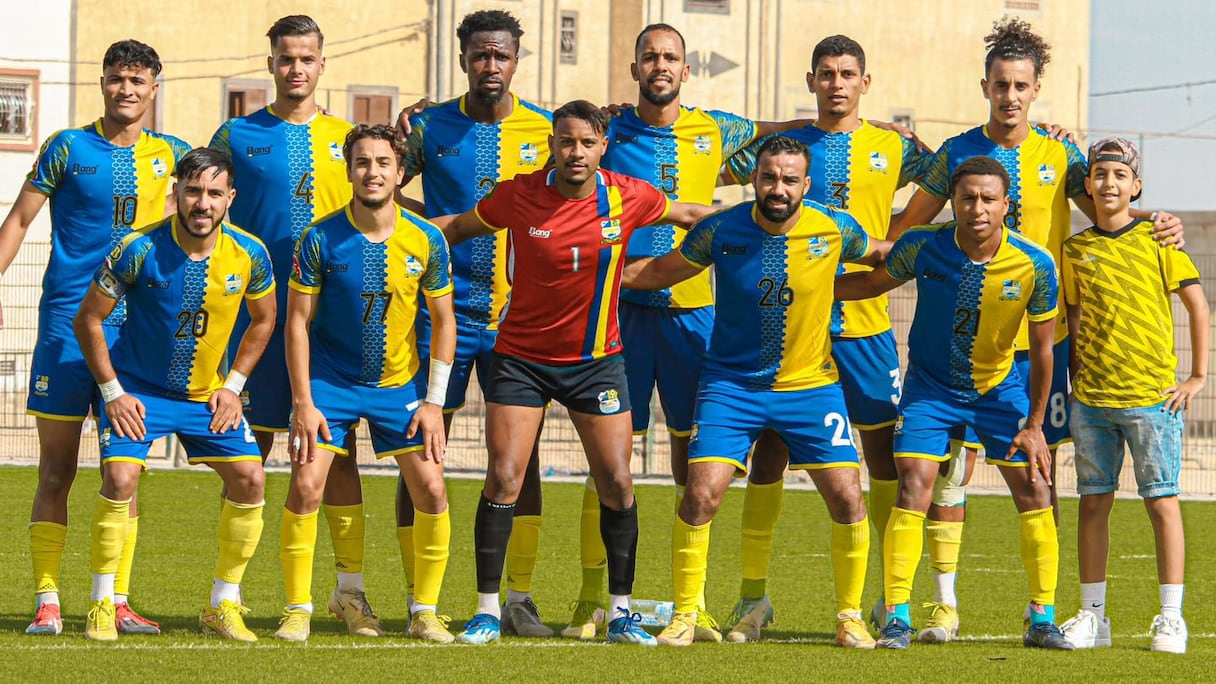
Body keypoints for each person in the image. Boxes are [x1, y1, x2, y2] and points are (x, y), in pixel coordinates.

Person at [885, 17, 1184, 641]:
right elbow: (906, 230)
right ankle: (942, 604)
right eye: (1001, 84)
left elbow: (1111, 211)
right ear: (985, 87)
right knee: (947, 473)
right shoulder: (957, 153)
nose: (1010, 96)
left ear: (1036, 88)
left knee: (1038, 476)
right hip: (961, 344)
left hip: (1038, 349)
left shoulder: (1062, 154)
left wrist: (1161, 222)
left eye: (1021, 85)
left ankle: (1042, 610)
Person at [436, 100, 715, 646]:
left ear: (603, 146)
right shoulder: (519, 194)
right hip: (521, 360)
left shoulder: (628, 195)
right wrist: (392, 234)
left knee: (618, 481)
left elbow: (687, 214)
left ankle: (621, 612)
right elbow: (459, 226)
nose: (576, 152)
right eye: (566, 141)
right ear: (552, 146)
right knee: (505, 476)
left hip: (596, 364)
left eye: (587, 142)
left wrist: (755, 222)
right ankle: (488, 610)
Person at [624, 135, 886, 649]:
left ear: (806, 184)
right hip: (730, 386)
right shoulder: (720, 228)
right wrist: (591, 269)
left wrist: (942, 261)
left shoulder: (835, 227)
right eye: (769, 177)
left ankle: (850, 617)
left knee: (848, 496)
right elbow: (659, 272)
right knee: (700, 494)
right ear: (754, 179)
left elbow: (884, 257)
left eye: (790, 179)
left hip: (811, 386)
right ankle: (685, 614)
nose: (778, 188)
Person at [722, 34, 933, 640]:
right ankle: (753, 598)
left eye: (847, 74)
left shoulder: (895, 147)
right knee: (769, 455)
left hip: (866, 327)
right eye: (826, 73)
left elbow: (961, 172)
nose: (836, 83)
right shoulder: (786, 150)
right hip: (787, 328)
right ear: (811, 80)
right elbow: (706, 160)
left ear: (865, 82)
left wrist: (901, 232)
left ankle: (890, 601)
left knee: (882, 457)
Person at [575, 21, 769, 643]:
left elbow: (779, 133)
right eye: (650, 56)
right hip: (621, 315)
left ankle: (692, 604)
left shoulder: (717, 129)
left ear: (687, 71)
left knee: (696, 462)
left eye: (670, 58)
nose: (660, 65)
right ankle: (592, 601)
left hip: (694, 315)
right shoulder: (608, 132)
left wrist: (850, 125)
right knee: (608, 459)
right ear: (635, 68)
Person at [837, 156, 1072, 651]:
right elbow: (871, 284)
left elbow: (1044, 350)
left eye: (988, 199)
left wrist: (1034, 425)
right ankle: (897, 618)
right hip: (930, 390)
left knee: (1036, 488)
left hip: (998, 390)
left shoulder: (1035, 263)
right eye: (967, 198)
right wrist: (807, 288)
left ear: (1006, 205)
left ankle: (1042, 618)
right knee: (913, 485)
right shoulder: (923, 245)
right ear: (954, 202)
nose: (977, 208)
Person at [0, 39, 190, 637]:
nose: (125, 90)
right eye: (116, 79)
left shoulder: (174, 154)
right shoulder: (66, 146)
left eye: (137, 80)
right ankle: (47, 601)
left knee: (123, 473)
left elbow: (206, 225)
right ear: (102, 83)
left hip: (135, 335)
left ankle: (116, 600)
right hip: (65, 328)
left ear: (154, 87)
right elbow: (19, 220)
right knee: (56, 470)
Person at [210, 15, 381, 637]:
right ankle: (224, 597)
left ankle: (349, 593)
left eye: (307, 58)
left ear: (322, 64)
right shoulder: (236, 134)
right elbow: (203, 206)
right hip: (255, 322)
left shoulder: (347, 138)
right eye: (286, 58)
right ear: (271, 64)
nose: (296, 68)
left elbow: (382, 201)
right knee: (245, 456)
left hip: (328, 329)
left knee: (337, 456)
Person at [73, 147, 275, 642]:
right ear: (177, 193)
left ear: (230, 198)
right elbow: (89, 319)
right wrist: (113, 393)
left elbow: (265, 319)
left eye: (213, 193)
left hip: (207, 396)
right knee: (120, 478)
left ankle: (222, 605)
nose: (202, 203)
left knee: (251, 480)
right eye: (193, 191)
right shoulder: (137, 248)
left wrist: (233, 387)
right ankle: (102, 603)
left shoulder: (250, 253)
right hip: (137, 393)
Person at [395, 9, 555, 637]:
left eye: (501, 55)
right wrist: (421, 224)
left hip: (521, 320)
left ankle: (519, 597)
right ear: (463, 59)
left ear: (517, 60)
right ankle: (421, 599)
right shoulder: (428, 126)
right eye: (480, 55)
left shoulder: (546, 129)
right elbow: (378, 184)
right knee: (418, 449)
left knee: (523, 457)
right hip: (442, 315)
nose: (491, 65)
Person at [275, 125, 458, 643]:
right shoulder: (319, 238)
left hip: (399, 384)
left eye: (382, 163)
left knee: (432, 489)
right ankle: (309, 606)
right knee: (306, 485)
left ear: (400, 173)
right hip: (329, 383)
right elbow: (296, 323)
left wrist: (434, 402)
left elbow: (444, 321)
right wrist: (303, 402)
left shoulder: (426, 238)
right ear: (349, 170)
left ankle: (424, 611)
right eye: (362, 162)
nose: (372, 172)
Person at [1058, 138, 1207, 655]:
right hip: (1092, 400)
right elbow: (1074, 315)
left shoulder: (1159, 240)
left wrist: (1197, 377)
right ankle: (1092, 616)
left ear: (1136, 186)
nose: (1109, 183)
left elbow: (1197, 305)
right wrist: (1075, 380)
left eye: (1120, 175)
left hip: (1151, 400)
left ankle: (1171, 617)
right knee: (1092, 504)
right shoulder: (1074, 250)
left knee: (1161, 503)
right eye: (1100, 174)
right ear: (1088, 185)